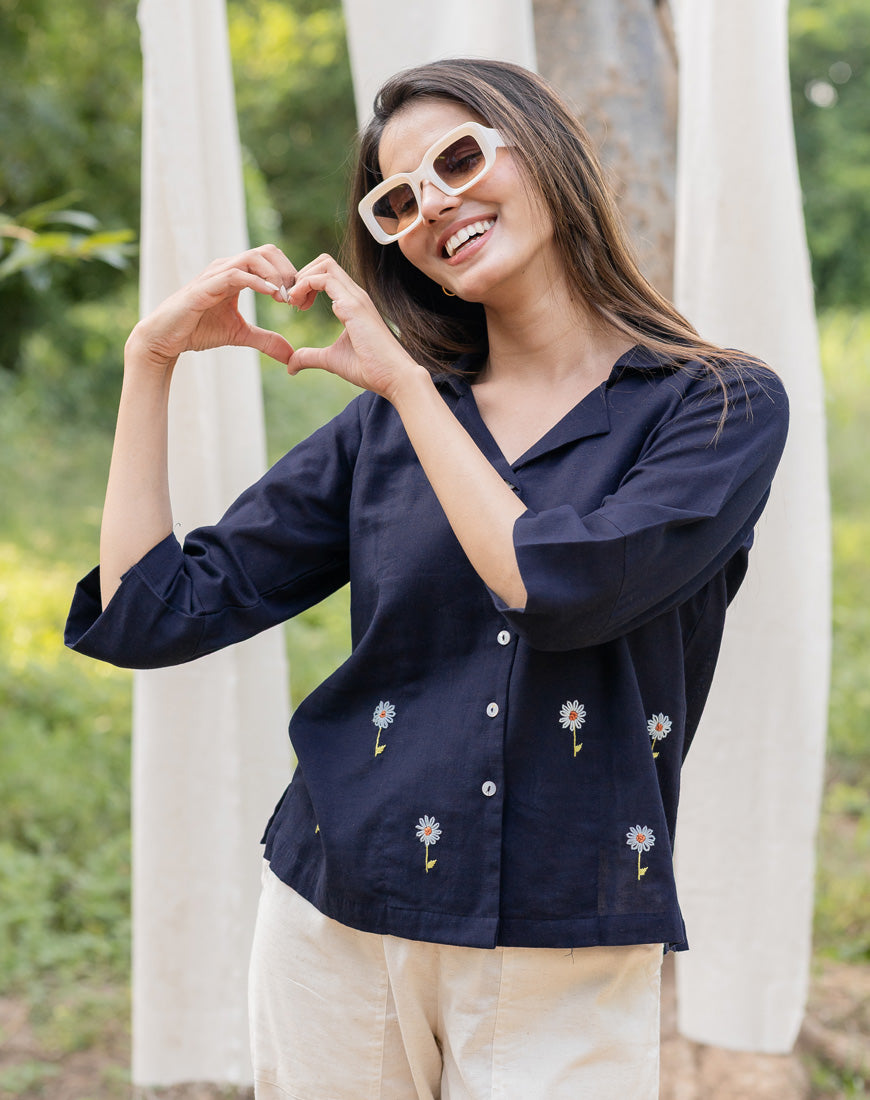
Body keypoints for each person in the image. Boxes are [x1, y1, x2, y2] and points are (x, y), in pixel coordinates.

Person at [66, 58, 789, 1099]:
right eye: (399, 199)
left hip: (567, 933)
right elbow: (153, 613)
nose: (436, 202)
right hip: (335, 913)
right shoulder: (384, 428)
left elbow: (560, 588)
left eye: (459, 157)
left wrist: (408, 385)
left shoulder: (717, 407)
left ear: (542, 151)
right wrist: (151, 359)